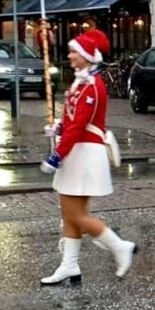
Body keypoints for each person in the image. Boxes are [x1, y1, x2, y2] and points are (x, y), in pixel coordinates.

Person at [39, 29, 136, 285]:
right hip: (76, 151)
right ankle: (70, 265)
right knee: (70, 212)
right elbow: (73, 119)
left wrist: (56, 155)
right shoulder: (80, 82)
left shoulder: (93, 85)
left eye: (74, 52)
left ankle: (119, 246)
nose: (69, 56)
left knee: (76, 214)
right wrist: (58, 126)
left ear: (87, 56)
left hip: (83, 152)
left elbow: (81, 124)